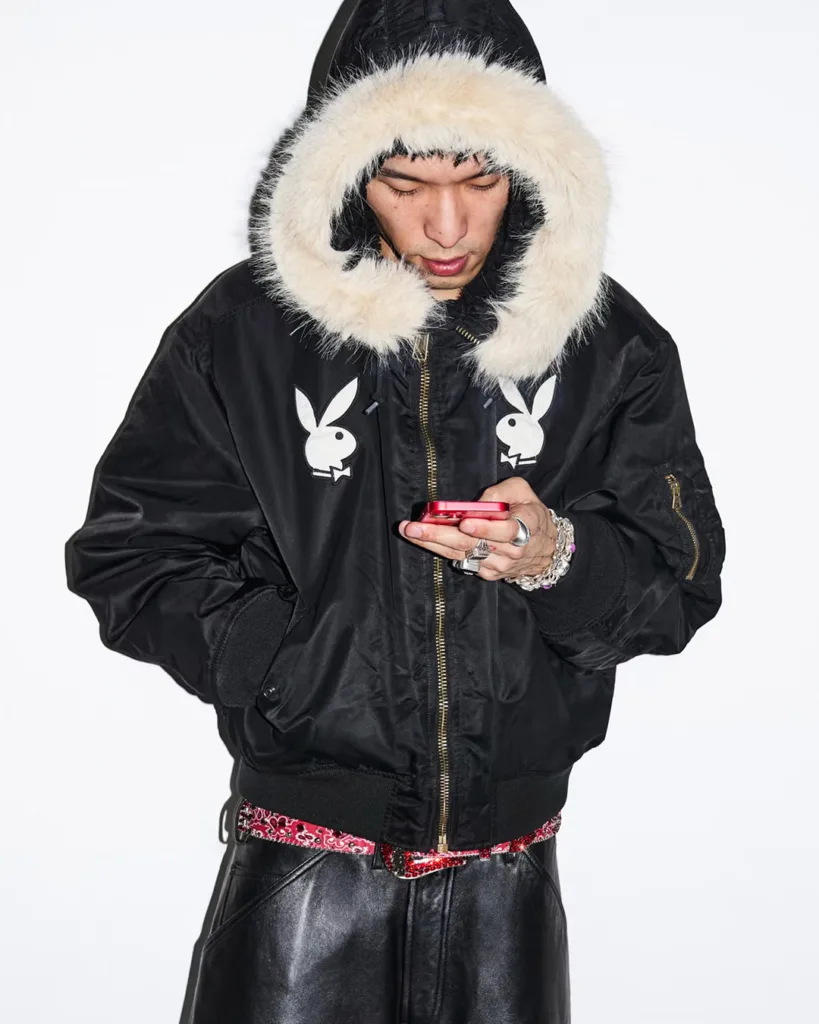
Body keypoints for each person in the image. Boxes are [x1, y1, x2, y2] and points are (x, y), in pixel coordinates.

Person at [64, 2, 726, 1021]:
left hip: (509, 875)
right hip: (301, 869)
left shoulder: (606, 344)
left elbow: (679, 578)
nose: (446, 226)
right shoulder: (246, 332)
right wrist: (286, 663)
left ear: (532, 169)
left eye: (480, 181)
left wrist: (555, 556)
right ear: (347, 171)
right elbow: (130, 551)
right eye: (406, 185)